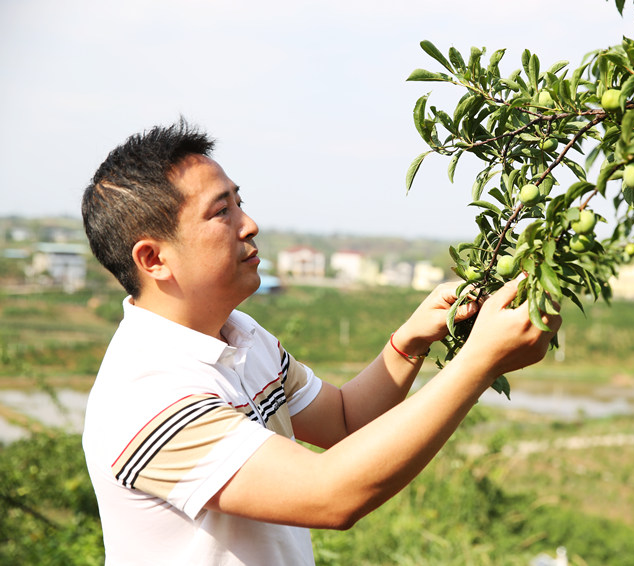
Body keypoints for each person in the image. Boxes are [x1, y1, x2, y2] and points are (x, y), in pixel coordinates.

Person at [81, 119, 560, 565]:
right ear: (153, 258)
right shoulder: (148, 394)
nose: (249, 224)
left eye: (239, 202)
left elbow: (346, 421)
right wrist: (478, 363)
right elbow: (329, 494)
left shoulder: (242, 337)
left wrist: (409, 344)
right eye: (221, 212)